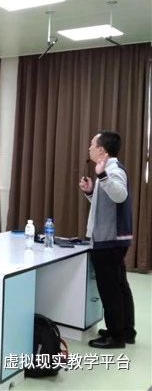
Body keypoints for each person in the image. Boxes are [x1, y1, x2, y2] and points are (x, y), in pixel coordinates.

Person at [79, 131, 135, 349]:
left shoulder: (112, 170)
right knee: (119, 286)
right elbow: (107, 204)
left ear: (102, 150)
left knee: (110, 289)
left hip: (109, 240)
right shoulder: (108, 170)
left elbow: (120, 195)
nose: (90, 148)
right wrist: (91, 192)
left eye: (92, 145)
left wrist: (102, 176)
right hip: (113, 239)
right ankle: (126, 331)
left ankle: (115, 336)